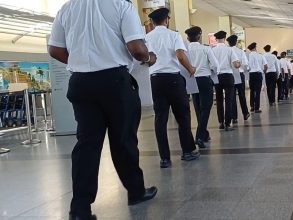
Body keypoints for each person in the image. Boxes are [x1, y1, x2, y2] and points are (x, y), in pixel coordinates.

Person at [48, 0, 158, 219]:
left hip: (80, 82)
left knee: (86, 145)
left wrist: (80, 64)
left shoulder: (66, 8)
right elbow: (136, 48)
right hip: (114, 82)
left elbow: (55, 49)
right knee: (124, 140)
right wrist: (149, 57)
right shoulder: (121, 6)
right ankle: (135, 192)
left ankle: (80, 209)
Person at [146, 8, 200, 169]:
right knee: (182, 115)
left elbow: (144, 58)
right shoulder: (173, 35)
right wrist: (190, 69)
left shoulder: (146, 37)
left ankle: (164, 158)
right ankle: (187, 151)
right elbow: (180, 55)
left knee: (160, 118)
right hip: (173, 79)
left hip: (155, 80)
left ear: (152, 22)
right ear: (167, 20)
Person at [185, 26, 219, 149]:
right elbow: (215, 65)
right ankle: (199, 136)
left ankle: (204, 133)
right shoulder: (205, 48)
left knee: (198, 108)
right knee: (206, 108)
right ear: (199, 36)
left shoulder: (185, 49)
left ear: (188, 38)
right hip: (204, 79)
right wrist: (212, 73)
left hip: (192, 80)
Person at [212, 31, 241, 131]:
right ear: (224, 38)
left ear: (216, 39)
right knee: (229, 100)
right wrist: (239, 63)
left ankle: (221, 122)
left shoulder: (212, 50)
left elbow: (211, 65)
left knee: (219, 100)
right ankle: (228, 123)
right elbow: (236, 65)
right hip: (228, 76)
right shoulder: (229, 50)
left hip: (217, 77)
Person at [226, 35, 250, 123]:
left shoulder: (227, 51)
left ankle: (234, 117)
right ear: (236, 42)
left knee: (232, 96)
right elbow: (245, 64)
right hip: (239, 74)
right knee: (241, 95)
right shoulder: (240, 51)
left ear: (228, 42)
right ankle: (245, 113)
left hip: (230, 75)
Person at [247, 42, 268, 113]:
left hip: (252, 74)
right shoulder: (261, 55)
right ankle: (257, 108)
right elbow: (266, 66)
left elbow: (249, 66)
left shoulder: (250, 55)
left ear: (250, 49)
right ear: (255, 48)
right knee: (258, 91)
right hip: (259, 74)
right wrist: (263, 72)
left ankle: (252, 107)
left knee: (252, 91)